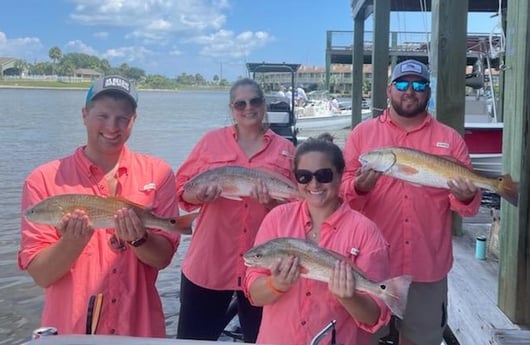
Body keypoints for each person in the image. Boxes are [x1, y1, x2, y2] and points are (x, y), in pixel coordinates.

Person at [17, 75, 180, 337]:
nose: (112, 127)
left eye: (122, 119)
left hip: (139, 330)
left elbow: (162, 259)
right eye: (102, 116)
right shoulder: (42, 180)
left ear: (133, 121)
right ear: (84, 115)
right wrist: (71, 243)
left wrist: (140, 238)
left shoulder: (158, 173)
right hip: (72, 332)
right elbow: (41, 276)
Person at [341, 59, 482, 345]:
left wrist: (466, 193)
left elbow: (466, 206)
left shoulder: (450, 139)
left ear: (428, 92)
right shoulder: (362, 134)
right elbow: (341, 195)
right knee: (365, 338)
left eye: (419, 85)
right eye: (402, 84)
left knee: (423, 339)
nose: (410, 91)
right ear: (388, 90)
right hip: (371, 266)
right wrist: (358, 187)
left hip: (427, 269)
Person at [175, 78, 296, 342]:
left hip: (264, 266)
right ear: (232, 108)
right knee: (192, 338)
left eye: (254, 101)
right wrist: (200, 194)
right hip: (209, 264)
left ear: (263, 105)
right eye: (240, 103)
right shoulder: (210, 141)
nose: (248, 108)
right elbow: (183, 191)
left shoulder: (286, 149)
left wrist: (270, 203)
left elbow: (296, 212)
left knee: (261, 338)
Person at [244, 135, 391, 345]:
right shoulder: (276, 219)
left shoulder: (366, 231)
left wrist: (349, 297)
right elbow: (255, 295)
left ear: (340, 176)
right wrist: (276, 284)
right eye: (304, 176)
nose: (314, 183)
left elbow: (374, 317)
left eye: (324, 175)